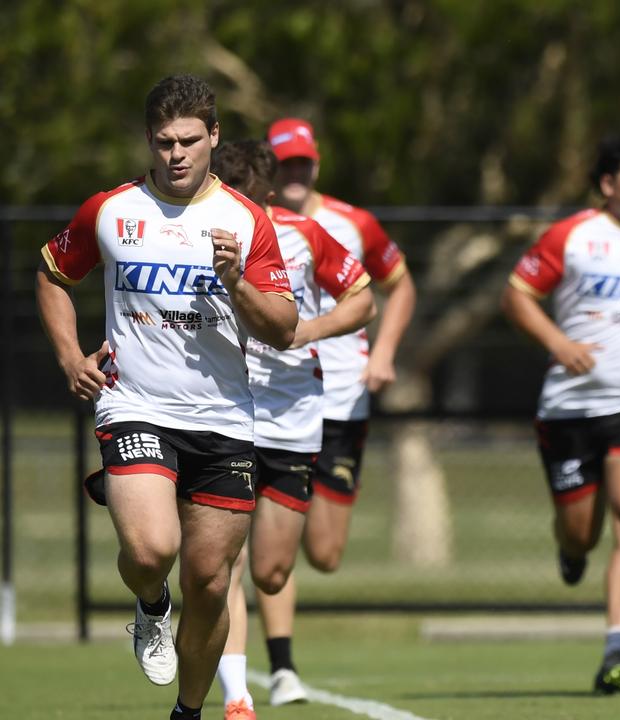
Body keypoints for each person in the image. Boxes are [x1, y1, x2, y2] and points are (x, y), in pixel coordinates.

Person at [35, 75, 298, 720]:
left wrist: (237, 282)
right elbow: (51, 273)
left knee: (210, 582)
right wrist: (71, 356)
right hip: (135, 404)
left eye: (189, 140)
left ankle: (188, 712)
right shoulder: (111, 210)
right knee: (153, 548)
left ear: (213, 137)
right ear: (148, 142)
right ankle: (150, 602)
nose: (176, 154)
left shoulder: (245, 219)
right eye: (163, 142)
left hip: (225, 418)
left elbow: (283, 327)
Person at [500, 131, 620, 695]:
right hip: (571, 408)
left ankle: (617, 647)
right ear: (608, 186)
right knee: (582, 533)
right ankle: (571, 547)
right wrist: (557, 343)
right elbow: (517, 294)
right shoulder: (574, 236)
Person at [209, 140, 375, 719]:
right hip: (220, 412)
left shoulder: (304, 234)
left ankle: (267, 665)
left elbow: (363, 298)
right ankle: (237, 696)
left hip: (294, 414)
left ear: (268, 199)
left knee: (271, 569)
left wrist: (309, 330)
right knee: (221, 560)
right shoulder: (185, 233)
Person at [254, 117, 416, 704]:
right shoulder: (243, 222)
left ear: (315, 165)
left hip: (343, 400)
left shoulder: (352, 223)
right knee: (267, 539)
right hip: (271, 402)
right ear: (269, 169)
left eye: (303, 163)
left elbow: (398, 285)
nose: (295, 173)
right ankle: (280, 666)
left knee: (323, 553)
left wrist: (386, 355)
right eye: (284, 163)